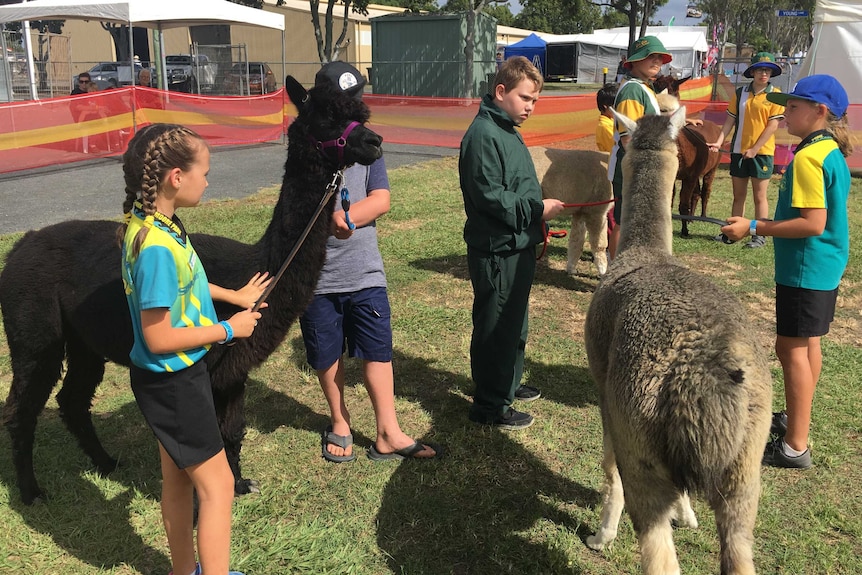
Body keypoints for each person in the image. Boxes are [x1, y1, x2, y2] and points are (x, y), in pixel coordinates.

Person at [120, 123, 271, 575]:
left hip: (165, 380)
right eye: (204, 171)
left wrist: (233, 296)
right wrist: (229, 329)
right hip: (173, 382)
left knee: (177, 482)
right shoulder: (157, 250)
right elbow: (159, 335)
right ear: (176, 178)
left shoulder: (155, 226)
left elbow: (190, 282)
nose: (209, 180)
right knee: (219, 487)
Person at [299, 62, 440, 462]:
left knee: (378, 350)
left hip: (364, 270)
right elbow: (298, 202)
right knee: (327, 353)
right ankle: (340, 421)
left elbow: (382, 198)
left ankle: (387, 431)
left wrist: (348, 217)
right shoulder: (308, 144)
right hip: (319, 277)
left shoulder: (368, 145)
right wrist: (327, 221)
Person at [720, 75, 852, 469]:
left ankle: (795, 445)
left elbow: (812, 223)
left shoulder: (809, 158)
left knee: (790, 348)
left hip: (805, 267)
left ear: (820, 112)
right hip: (823, 265)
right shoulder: (828, 150)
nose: (785, 113)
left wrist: (754, 227)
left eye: (793, 106)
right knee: (807, 343)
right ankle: (797, 419)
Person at [459, 56, 565, 430]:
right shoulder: (483, 135)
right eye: (525, 98)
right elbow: (491, 196)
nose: (530, 108)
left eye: (535, 101)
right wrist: (538, 210)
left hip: (516, 244)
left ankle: (508, 384)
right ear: (500, 91)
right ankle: (490, 405)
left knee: (515, 323)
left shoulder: (505, 127)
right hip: (497, 249)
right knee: (496, 326)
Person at [707, 52, 785, 248]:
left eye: (767, 70)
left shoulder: (776, 94)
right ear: (752, 72)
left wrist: (755, 149)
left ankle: (759, 235)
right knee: (738, 196)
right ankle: (733, 232)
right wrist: (718, 142)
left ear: (772, 73)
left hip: (763, 153)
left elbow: (772, 126)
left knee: (760, 197)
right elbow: (729, 121)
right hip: (738, 151)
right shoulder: (740, 93)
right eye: (760, 69)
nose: (764, 74)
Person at [607, 36, 672, 260]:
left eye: (658, 57)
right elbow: (629, 137)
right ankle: (614, 272)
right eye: (649, 56)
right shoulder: (633, 90)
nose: (656, 61)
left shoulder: (644, 88)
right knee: (623, 220)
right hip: (631, 166)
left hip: (639, 165)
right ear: (634, 62)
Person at [595, 83, 617, 154]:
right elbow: (617, 147)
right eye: (616, 105)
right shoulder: (605, 127)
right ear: (606, 106)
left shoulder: (612, 120)